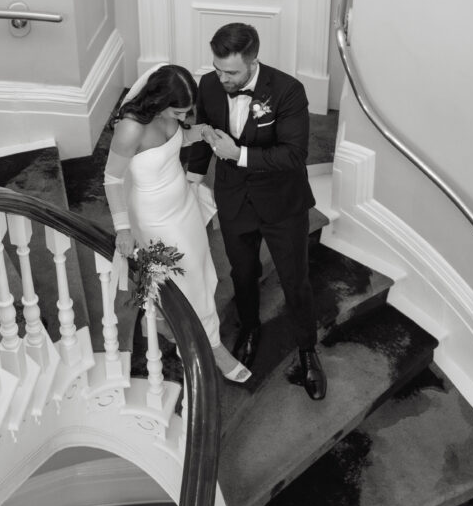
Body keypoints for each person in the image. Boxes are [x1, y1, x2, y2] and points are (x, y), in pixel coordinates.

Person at [187, 23, 327, 400]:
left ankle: (307, 349)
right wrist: (193, 177)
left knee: (294, 277)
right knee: (242, 271)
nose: (222, 78)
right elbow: (204, 132)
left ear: (253, 61)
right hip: (234, 198)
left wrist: (240, 154)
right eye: (217, 68)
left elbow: (295, 154)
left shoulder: (288, 91)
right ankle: (249, 327)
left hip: (282, 203)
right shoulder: (210, 85)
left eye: (230, 72)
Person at [103, 63, 252, 384]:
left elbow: (178, 138)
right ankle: (211, 345)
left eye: (188, 112)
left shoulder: (169, 118)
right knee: (189, 277)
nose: (184, 117)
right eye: (179, 111)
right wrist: (123, 228)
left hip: (183, 205)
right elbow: (112, 178)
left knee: (199, 264)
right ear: (158, 101)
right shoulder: (131, 128)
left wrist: (202, 132)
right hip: (155, 217)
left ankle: (158, 319)